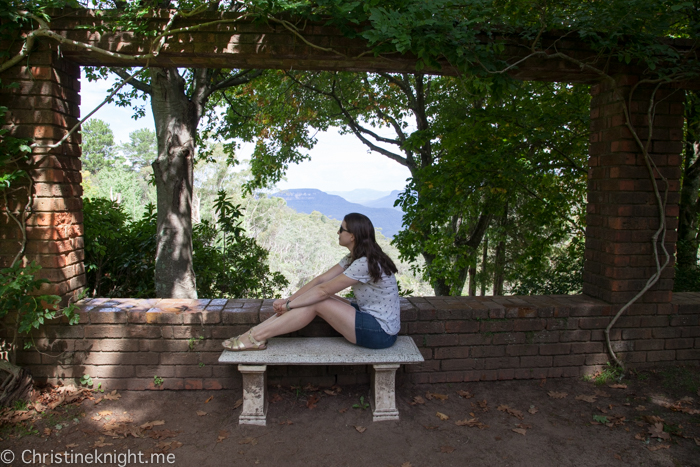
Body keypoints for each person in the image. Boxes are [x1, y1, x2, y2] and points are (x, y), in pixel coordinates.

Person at [222, 212, 401, 351]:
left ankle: (256, 337)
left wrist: (290, 306)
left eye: (342, 228)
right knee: (315, 298)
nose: (338, 232)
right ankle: (253, 334)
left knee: (318, 301)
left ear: (352, 236)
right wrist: (288, 301)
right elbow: (320, 280)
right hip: (369, 318)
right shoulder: (353, 258)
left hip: (381, 332)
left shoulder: (364, 263)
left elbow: (323, 291)